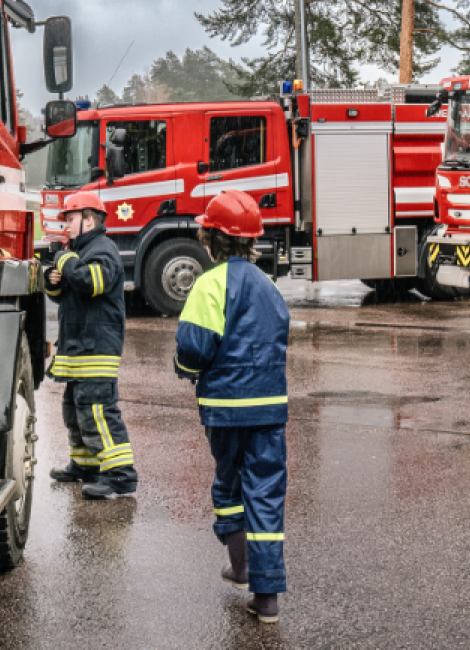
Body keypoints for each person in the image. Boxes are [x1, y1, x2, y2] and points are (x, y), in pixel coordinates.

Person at [174, 190, 290, 623]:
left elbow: (194, 349)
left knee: (229, 486)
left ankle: (239, 567)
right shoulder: (271, 287)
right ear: (249, 241)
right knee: (265, 493)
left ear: (211, 238)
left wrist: (182, 366)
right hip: (269, 411)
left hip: (224, 409)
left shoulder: (209, 285)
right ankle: (267, 598)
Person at [44, 191, 137, 499]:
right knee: (75, 411)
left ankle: (120, 475)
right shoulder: (81, 250)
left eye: (70, 220)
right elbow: (67, 294)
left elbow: (92, 282)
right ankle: (85, 466)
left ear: (88, 219)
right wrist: (52, 280)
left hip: (96, 349)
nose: (66, 227)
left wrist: (66, 260)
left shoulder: (103, 249)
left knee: (97, 411)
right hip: (78, 350)